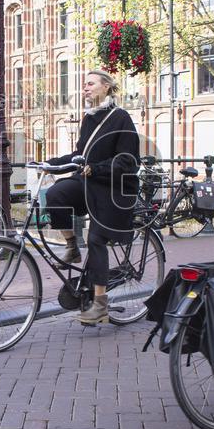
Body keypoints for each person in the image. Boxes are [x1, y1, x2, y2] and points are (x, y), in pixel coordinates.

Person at [44, 70, 140, 326]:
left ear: (107, 87)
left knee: (96, 238)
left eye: (90, 84)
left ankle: (100, 304)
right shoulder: (89, 119)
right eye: (84, 84)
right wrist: (48, 163)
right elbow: (80, 155)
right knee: (55, 194)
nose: (84, 88)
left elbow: (129, 160)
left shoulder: (121, 118)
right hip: (89, 182)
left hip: (114, 188)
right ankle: (71, 246)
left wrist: (97, 168)